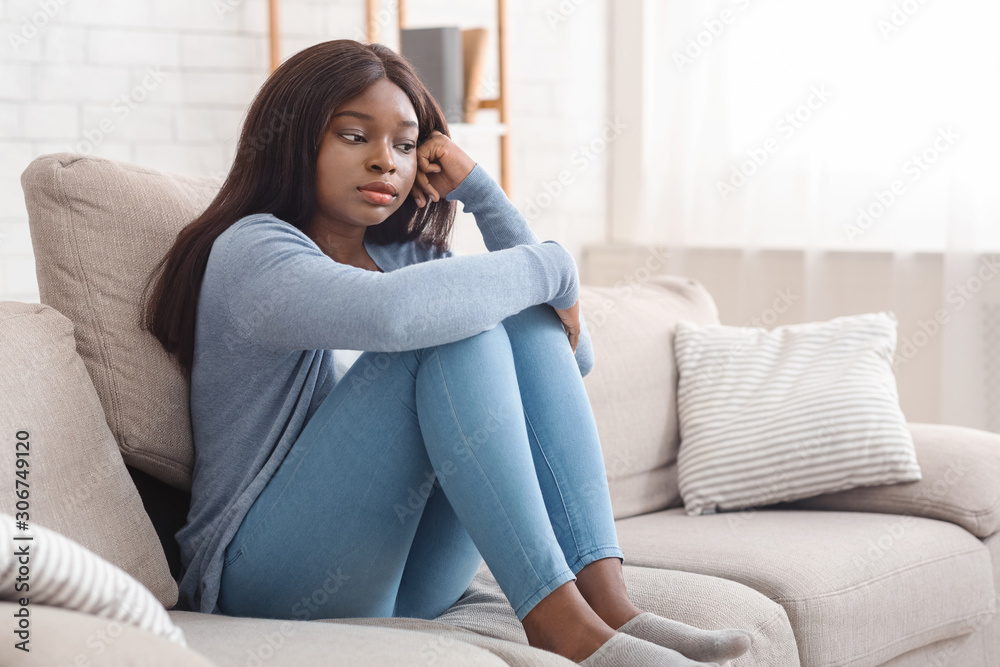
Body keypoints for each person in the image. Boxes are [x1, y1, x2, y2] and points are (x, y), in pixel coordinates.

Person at [141, 39, 752, 666]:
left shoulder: (406, 259)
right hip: (267, 578)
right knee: (455, 324)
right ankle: (560, 625)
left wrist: (485, 197)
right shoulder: (254, 251)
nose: (386, 162)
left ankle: (609, 606)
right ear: (293, 141)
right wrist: (554, 266)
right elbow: (393, 315)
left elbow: (567, 352)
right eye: (355, 136)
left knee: (501, 315)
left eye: (405, 145)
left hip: (410, 579)